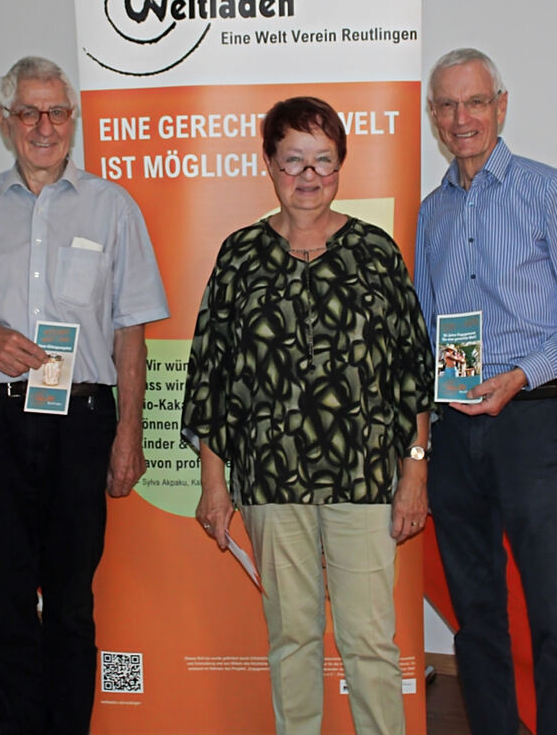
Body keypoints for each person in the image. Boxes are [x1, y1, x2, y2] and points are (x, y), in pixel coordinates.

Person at [0, 55, 168, 734]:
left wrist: (129, 435)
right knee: (5, 601)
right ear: (4, 121)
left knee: (70, 602)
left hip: (80, 422)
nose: (43, 126)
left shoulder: (112, 207)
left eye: (56, 112)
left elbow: (130, 333)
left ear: (73, 119)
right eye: (28, 112)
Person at [183, 96, 434, 735]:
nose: (308, 175)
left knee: (369, 640)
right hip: (270, 480)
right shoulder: (240, 255)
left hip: (364, 478)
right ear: (269, 163)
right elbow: (212, 377)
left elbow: (412, 373)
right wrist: (214, 483)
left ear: (341, 165)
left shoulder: (375, 252)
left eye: (323, 160)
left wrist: (415, 472)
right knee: (291, 637)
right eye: (293, 160)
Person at [415, 49, 557, 735]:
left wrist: (520, 375)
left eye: (475, 102)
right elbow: (425, 329)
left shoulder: (551, 193)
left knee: (553, 614)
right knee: (475, 617)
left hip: (532, 426)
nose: (461, 118)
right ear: (433, 116)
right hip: (454, 434)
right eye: (447, 105)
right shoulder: (430, 215)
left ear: (500, 108)